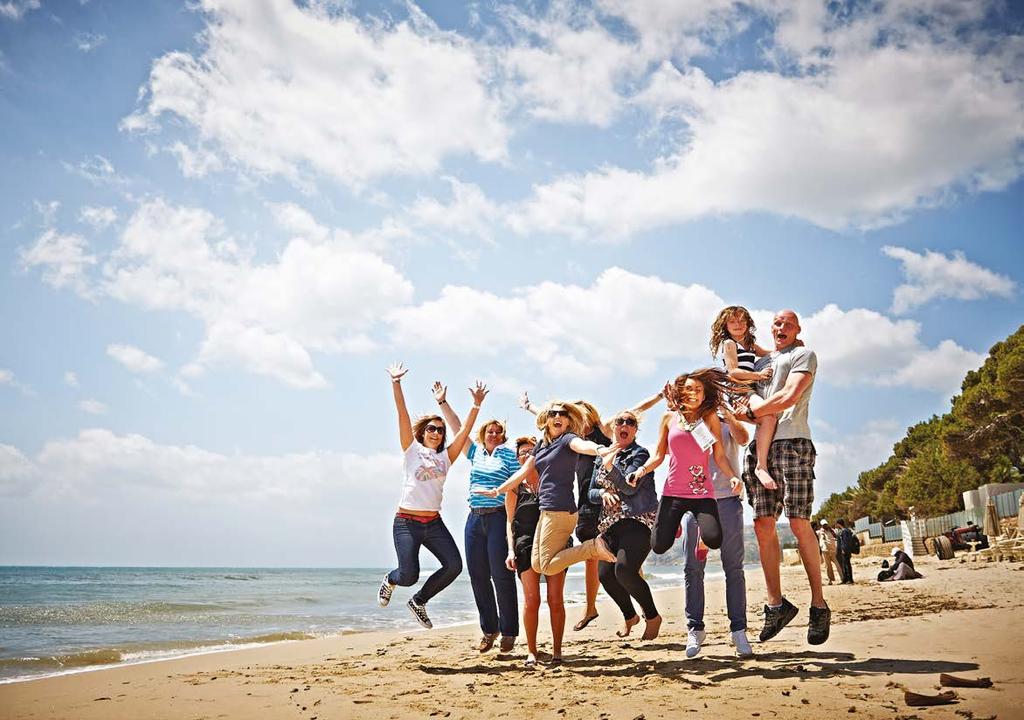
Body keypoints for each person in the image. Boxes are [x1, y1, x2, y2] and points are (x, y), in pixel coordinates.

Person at [518, 391, 663, 632]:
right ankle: (610, 611)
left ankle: (646, 613)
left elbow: (634, 410)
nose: (574, 419)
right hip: (595, 507)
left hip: (634, 515)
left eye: (577, 415)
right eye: (571, 416)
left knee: (625, 568)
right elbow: (549, 417)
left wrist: (658, 397)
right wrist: (529, 406)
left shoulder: (606, 438)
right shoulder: (569, 435)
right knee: (603, 569)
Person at [737, 309, 831, 645]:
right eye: (777, 323)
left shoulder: (804, 354)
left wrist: (751, 410)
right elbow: (752, 408)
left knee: (798, 522)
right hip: (760, 448)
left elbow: (789, 396)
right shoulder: (761, 366)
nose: (781, 328)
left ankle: (818, 605)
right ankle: (776, 605)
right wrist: (745, 413)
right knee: (763, 524)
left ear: (797, 330)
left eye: (788, 324)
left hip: (794, 444)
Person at [640, 369, 745, 658]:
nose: (694, 393)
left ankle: (734, 632)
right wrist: (642, 469)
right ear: (679, 392)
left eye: (699, 389)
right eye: (688, 389)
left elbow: (719, 456)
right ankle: (671, 525)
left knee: (713, 541)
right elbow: (659, 455)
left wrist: (733, 477)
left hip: (703, 495)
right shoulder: (668, 419)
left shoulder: (709, 419)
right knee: (659, 546)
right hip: (674, 493)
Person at [378, 364, 486, 630]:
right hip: (406, 523)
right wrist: (396, 383)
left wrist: (476, 406)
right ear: (422, 433)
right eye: (432, 429)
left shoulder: (446, 457)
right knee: (408, 575)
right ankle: (390, 580)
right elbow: (402, 414)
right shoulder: (411, 451)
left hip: (433, 523)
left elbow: (463, 434)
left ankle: (419, 602)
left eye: (440, 429)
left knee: (453, 566)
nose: (437, 432)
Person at [680, 404, 754, 658]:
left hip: (728, 501)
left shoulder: (726, 420)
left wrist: (728, 413)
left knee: (733, 567)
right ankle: (695, 628)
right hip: (697, 503)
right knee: (693, 568)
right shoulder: (693, 424)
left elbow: (744, 439)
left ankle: (739, 630)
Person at [586, 410, 662, 641]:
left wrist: (611, 469)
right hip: (610, 525)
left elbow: (630, 488)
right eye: (620, 421)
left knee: (624, 570)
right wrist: (603, 492)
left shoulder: (640, 454)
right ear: (613, 428)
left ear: (635, 430)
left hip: (638, 521)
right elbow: (590, 493)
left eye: (631, 422)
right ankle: (630, 616)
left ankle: (652, 616)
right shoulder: (602, 455)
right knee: (606, 575)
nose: (625, 424)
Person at [458, 413, 521, 653]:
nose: (493, 434)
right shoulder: (475, 453)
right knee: (477, 575)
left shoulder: (509, 456)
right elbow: (458, 427)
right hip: (474, 517)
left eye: (498, 431)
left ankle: (509, 631)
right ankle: (489, 629)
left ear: (503, 436)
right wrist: (443, 402)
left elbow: (521, 477)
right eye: (489, 431)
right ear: (483, 434)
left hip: (498, 517)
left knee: (502, 575)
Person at [504, 436, 568, 668]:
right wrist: (510, 551)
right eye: (522, 452)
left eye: (532, 450)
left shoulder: (552, 481)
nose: (527, 454)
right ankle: (531, 652)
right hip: (525, 544)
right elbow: (510, 522)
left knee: (555, 599)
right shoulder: (514, 487)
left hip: (556, 541)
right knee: (532, 600)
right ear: (518, 458)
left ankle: (557, 652)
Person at [710, 306, 776, 488]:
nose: (738, 324)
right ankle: (761, 466)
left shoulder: (751, 345)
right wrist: (759, 375)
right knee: (769, 416)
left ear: (748, 323)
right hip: (738, 390)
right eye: (732, 321)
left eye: (741, 320)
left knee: (767, 419)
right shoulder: (729, 344)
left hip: (749, 390)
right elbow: (733, 372)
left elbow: (773, 354)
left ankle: (738, 417)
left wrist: (793, 347)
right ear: (725, 325)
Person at [816, 519, 840, 585]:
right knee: (828, 566)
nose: (825, 526)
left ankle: (843, 578)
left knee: (837, 564)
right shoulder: (819, 532)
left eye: (826, 524)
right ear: (821, 525)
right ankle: (830, 580)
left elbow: (836, 537)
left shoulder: (832, 531)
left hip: (832, 550)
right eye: (824, 525)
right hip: (825, 550)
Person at [835, 519, 855, 585]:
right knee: (844, 565)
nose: (836, 525)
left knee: (847, 565)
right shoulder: (845, 531)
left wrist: (843, 549)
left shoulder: (845, 531)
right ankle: (845, 579)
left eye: (837, 524)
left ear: (839, 524)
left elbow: (845, 542)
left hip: (845, 551)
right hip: (846, 550)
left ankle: (850, 579)